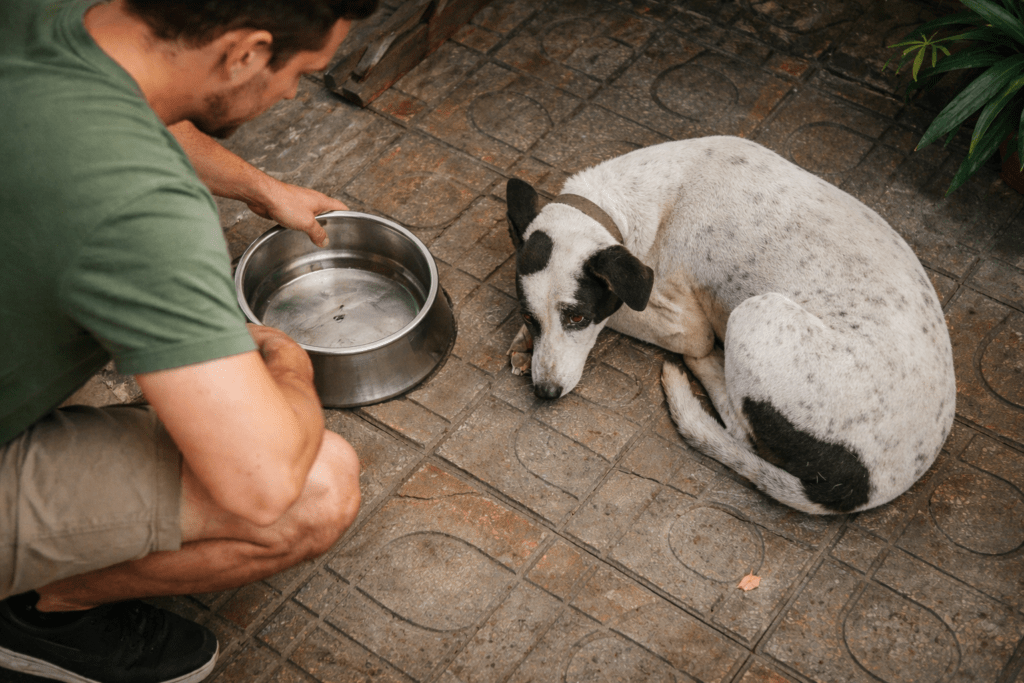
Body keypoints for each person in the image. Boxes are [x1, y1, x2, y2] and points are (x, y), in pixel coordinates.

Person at [0, 0, 378, 681]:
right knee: (316, 488)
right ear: (245, 53)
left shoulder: (49, 17)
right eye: (301, 71)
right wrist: (290, 368)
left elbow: (135, 107)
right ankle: (33, 614)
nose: (293, 92)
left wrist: (260, 188)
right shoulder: (141, 207)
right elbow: (260, 482)